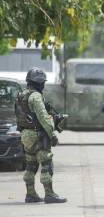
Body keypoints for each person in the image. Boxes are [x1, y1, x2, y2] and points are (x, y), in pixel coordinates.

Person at [15, 67, 67, 203]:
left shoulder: (21, 95)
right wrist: (52, 134)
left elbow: (20, 117)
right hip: (38, 135)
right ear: (39, 83)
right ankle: (49, 194)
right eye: (42, 82)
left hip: (25, 135)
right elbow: (44, 118)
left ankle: (30, 194)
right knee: (46, 164)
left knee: (31, 165)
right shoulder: (36, 97)